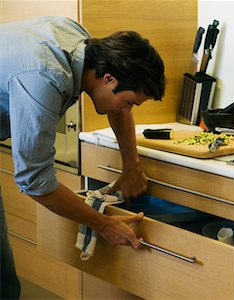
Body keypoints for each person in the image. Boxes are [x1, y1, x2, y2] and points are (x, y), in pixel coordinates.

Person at [0, 16, 165, 298]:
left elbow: (116, 108)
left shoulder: (81, 43)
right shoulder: (45, 77)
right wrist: (102, 224)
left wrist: (131, 164)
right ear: (109, 79)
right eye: (130, 103)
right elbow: (34, 181)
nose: (127, 110)